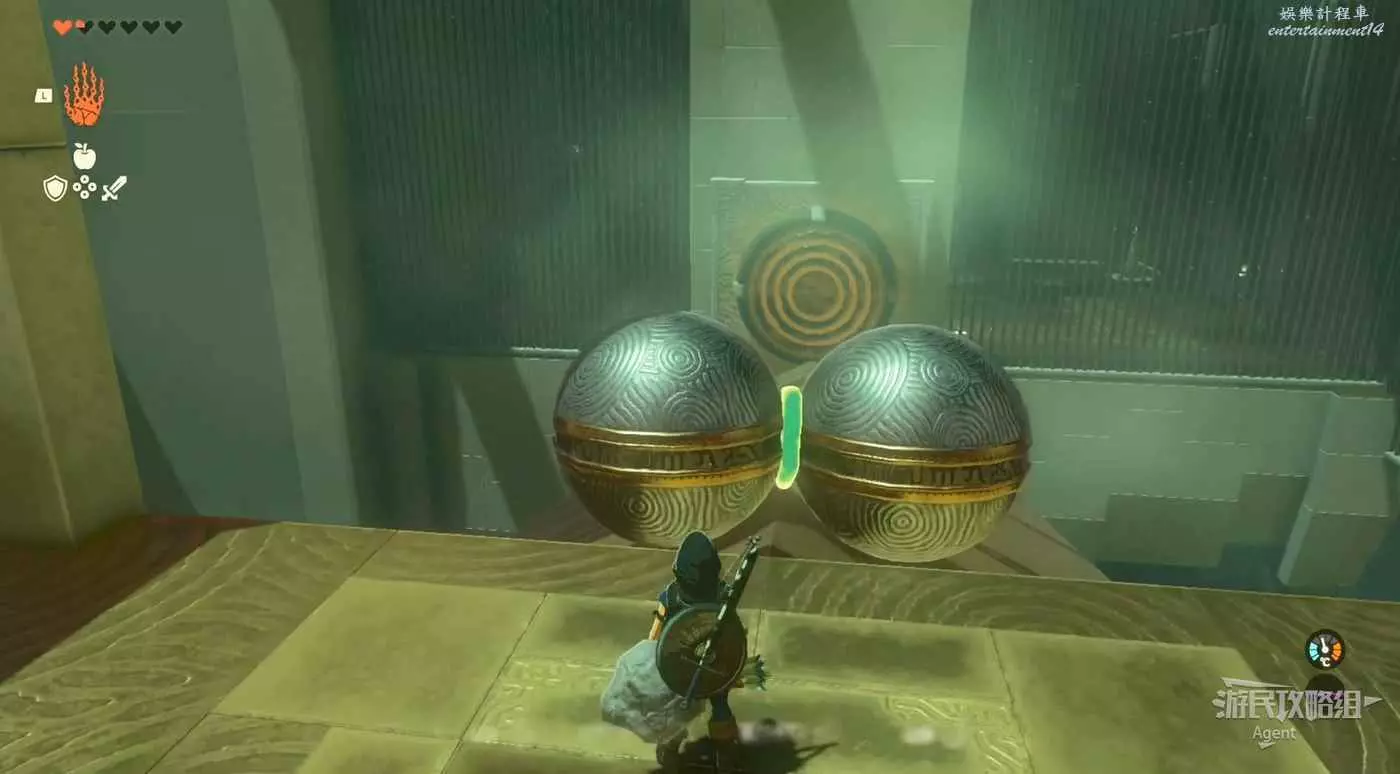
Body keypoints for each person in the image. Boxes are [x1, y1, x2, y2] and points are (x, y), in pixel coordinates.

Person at [649, 531, 742, 765]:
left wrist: (652, 656)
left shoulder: (671, 596)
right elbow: (735, 634)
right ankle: (725, 748)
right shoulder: (722, 595)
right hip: (715, 667)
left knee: (676, 704)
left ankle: (670, 744)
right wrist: (734, 670)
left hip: (681, 668)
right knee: (719, 704)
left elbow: (655, 634)